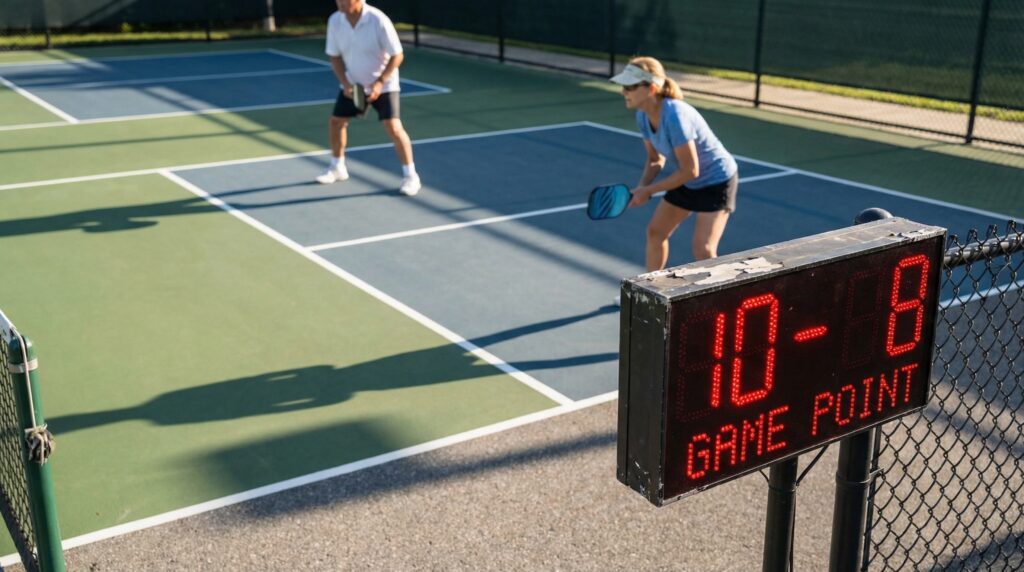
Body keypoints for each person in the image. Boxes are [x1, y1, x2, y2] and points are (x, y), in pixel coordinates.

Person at [610, 56, 738, 303]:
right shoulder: (642, 115)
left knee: (703, 250)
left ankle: (724, 301)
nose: (624, 92)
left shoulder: (676, 115)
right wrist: (642, 187)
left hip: (717, 181)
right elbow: (655, 160)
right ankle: (649, 295)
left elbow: (691, 170)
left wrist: (650, 191)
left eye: (630, 87)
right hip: (689, 180)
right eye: (623, 86)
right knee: (656, 232)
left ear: (651, 88)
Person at [316, 0, 421, 196]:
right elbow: (335, 57)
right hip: (353, 84)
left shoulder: (378, 20)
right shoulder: (335, 20)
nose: (340, 2)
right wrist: (346, 84)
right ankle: (337, 167)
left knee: (393, 126)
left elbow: (397, 55)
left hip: (385, 85)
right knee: (336, 122)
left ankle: (411, 176)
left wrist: (380, 82)